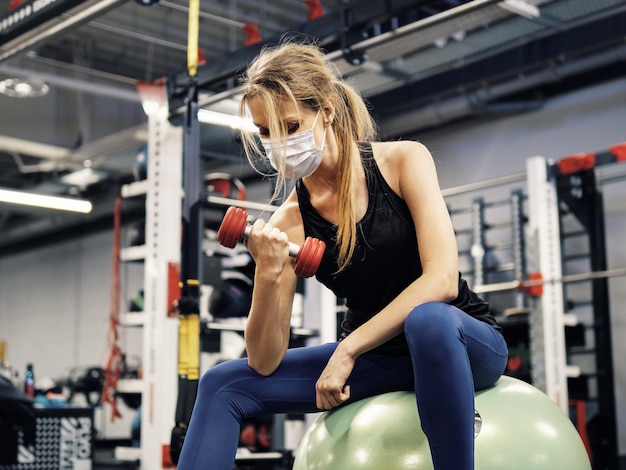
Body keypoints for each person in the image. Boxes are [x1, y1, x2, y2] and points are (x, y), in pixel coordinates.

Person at [177, 40, 508, 470]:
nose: (279, 144)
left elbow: (441, 281)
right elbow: (263, 360)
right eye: (265, 132)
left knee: (427, 319)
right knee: (224, 383)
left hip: (456, 345)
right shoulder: (290, 221)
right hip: (381, 361)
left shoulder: (404, 161)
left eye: (291, 126)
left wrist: (346, 351)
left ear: (327, 111)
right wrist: (268, 270)